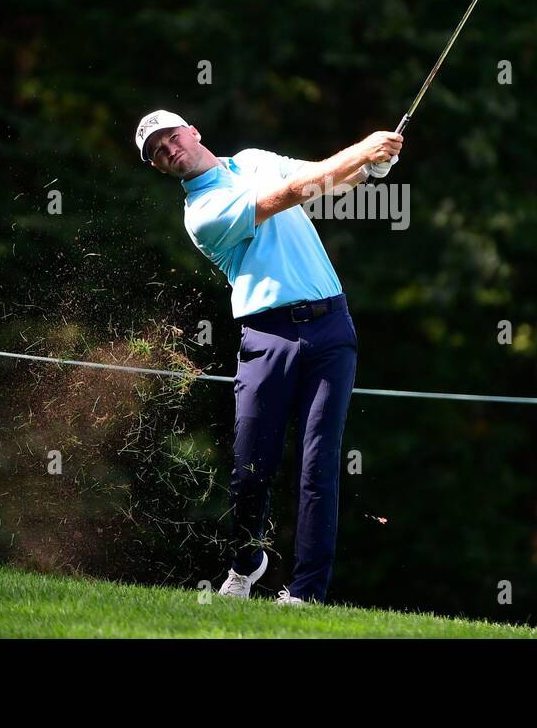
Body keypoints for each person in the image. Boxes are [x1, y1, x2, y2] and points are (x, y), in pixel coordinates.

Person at [136, 109, 402, 604]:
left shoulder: (255, 159)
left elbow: (319, 180)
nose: (170, 149)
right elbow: (291, 194)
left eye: (171, 137)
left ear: (192, 131)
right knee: (251, 465)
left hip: (331, 326)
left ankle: (307, 593)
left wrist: (369, 170)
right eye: (159, 152)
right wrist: (362, 150)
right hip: (267, 335)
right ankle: (246, 561)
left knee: (318, 463)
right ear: (159, 167)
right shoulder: (202, 212)